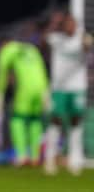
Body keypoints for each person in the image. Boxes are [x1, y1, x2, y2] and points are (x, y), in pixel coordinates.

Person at [43, 12, 92, 175]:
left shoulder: (81, 38)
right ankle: (50, 160)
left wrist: (85, 38)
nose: (69, 26)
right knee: (55, 120)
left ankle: (75, 160)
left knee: (75, 122)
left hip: (77, 87)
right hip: (59, 88)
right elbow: (43, 42)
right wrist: (53, 24)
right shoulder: (56, 39)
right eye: (66, 23)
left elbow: (87, 46)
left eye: (72, 23)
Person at [0, 28, 49, 167]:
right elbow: (42, 69)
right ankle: (35, 157)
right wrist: (46, 91)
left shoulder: (7, 50)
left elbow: (2, 73)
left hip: (26, 88)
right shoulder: (31, 48)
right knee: (35, 120)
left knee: (17, 120)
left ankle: (22, 156)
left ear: (3, 44)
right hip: (42, 87)